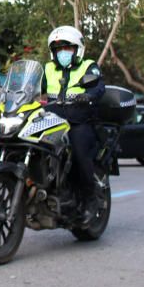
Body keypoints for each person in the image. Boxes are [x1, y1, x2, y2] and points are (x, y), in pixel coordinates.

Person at [42, 25, 105, 225]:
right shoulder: (48, 68)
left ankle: (90, 200)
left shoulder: (88, 66)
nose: (63, 53)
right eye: (58, 49)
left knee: (79, 153)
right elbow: (33, 85)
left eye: (67, 48)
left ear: (77, 49)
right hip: (53, 120)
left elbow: (98, 87)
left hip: (79, 121)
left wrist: (88, 95)